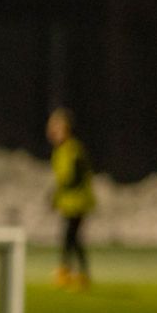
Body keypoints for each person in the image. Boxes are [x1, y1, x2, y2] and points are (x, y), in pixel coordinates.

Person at [46, 108, 94, 288]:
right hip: (70, 201)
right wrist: (56, 197)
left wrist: (58, 194)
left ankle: (72, 273)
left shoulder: (72, 149)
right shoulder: (62, 150)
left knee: (71, 237)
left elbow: (73, 177)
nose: (51, 131)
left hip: (78, 201)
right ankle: (72, 272)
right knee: (71, 238)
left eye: (55, 128)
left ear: (65, 129)